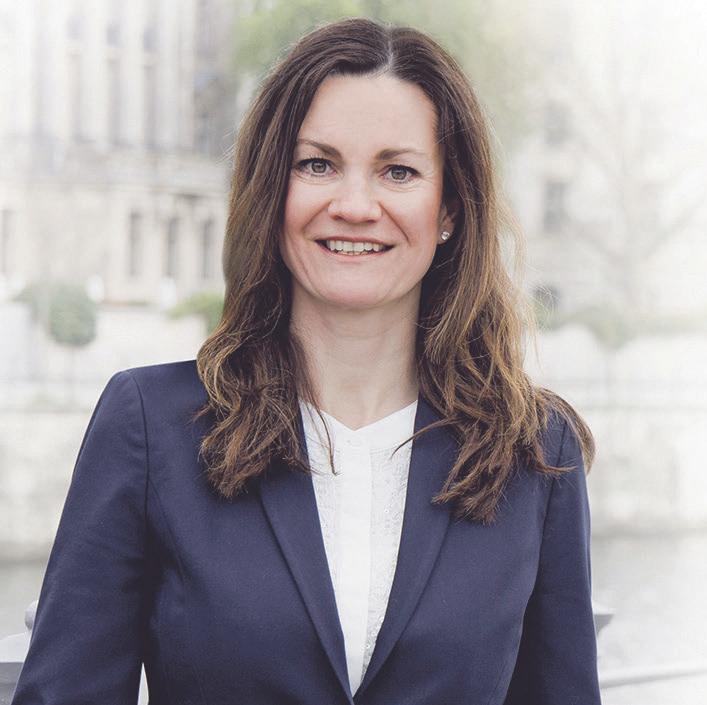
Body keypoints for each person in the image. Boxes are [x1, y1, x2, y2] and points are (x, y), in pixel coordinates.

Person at [11, 17, 602, 705]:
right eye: (317, 164)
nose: (354, 206)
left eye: (399, 171)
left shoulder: (534, 450)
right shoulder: (149, 427)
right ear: (273, 190)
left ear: (449, 210)